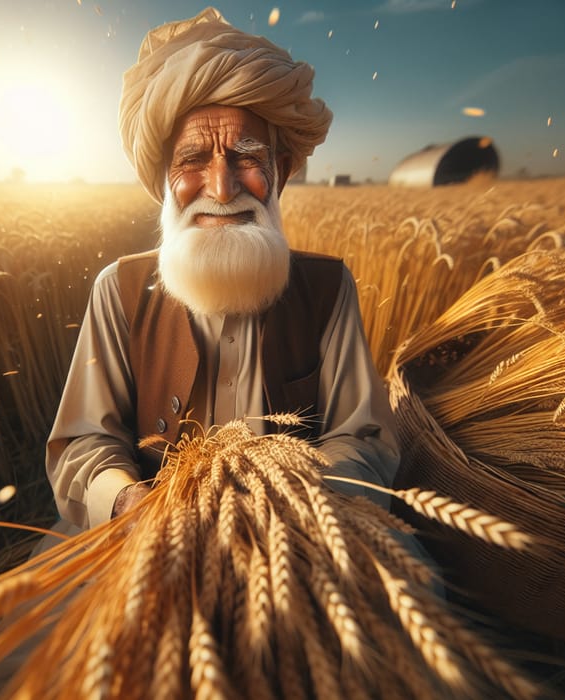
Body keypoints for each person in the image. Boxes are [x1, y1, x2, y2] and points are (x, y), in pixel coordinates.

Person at [45, 7, 400, 531]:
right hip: (143, 540)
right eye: (192, 160)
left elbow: (362, 436)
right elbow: (84, 442)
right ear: (165, 180)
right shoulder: (117, 291)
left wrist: (307, 500)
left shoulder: (327, 288)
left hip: (301, 532)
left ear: (278, 174)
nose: (220, 187)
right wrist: (127, 504)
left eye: (246, 157)